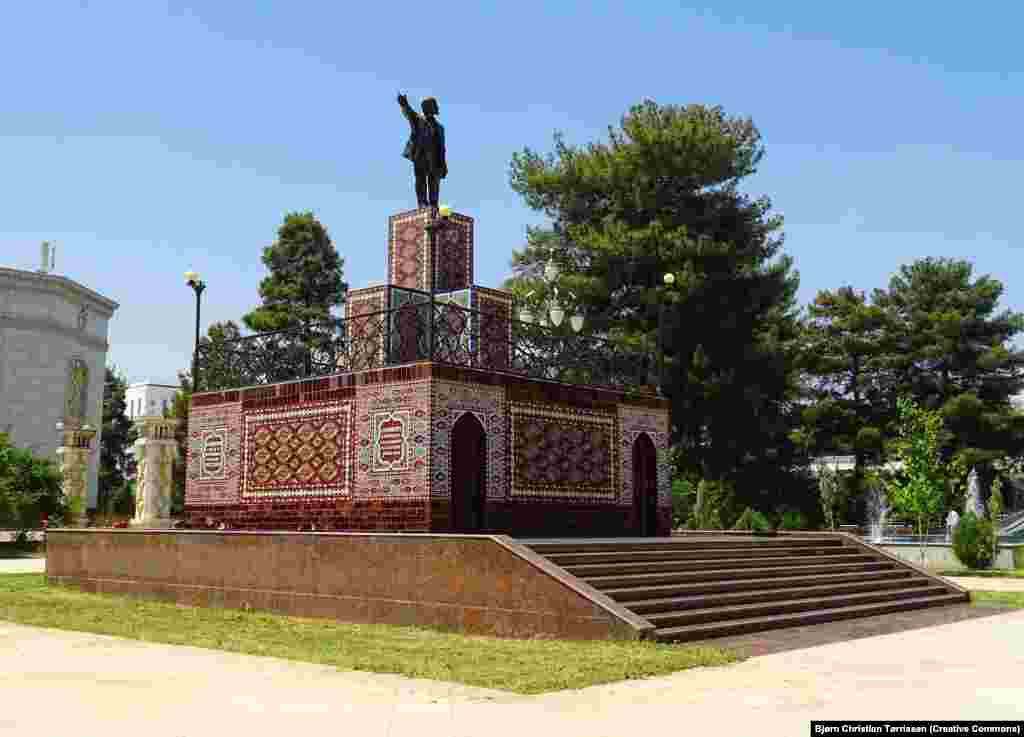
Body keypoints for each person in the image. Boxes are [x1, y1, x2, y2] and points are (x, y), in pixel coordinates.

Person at [397, 93, 447, 209]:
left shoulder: (440, 128)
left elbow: (443, 147)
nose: (437, 108)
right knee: (421, 180)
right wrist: (404, 105)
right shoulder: (418, 120)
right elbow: (410, 114)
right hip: (421, 155)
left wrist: (444, 164)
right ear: (429, 107)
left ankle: (434, 204)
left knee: (434, 182)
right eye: (435, 106)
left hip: (435, 158)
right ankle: (422, 203)